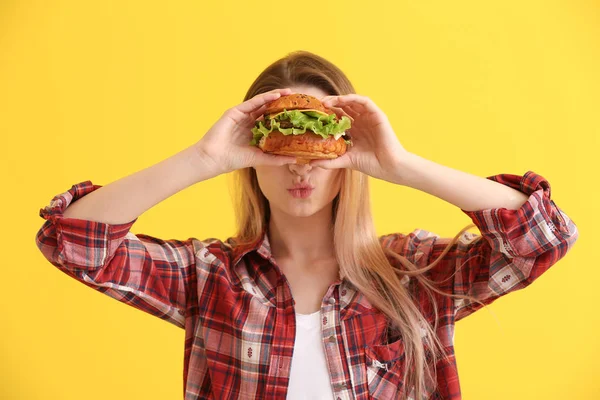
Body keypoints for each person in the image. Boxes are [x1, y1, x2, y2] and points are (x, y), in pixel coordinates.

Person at [35, 50, 579, 400]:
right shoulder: (211, 277)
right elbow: (74, 245)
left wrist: (399, 164)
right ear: (251, 159)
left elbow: (544, 239)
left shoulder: (412, 273)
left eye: (321, 148)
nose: (301, 166)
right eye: (279, 148)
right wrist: (204, 158)